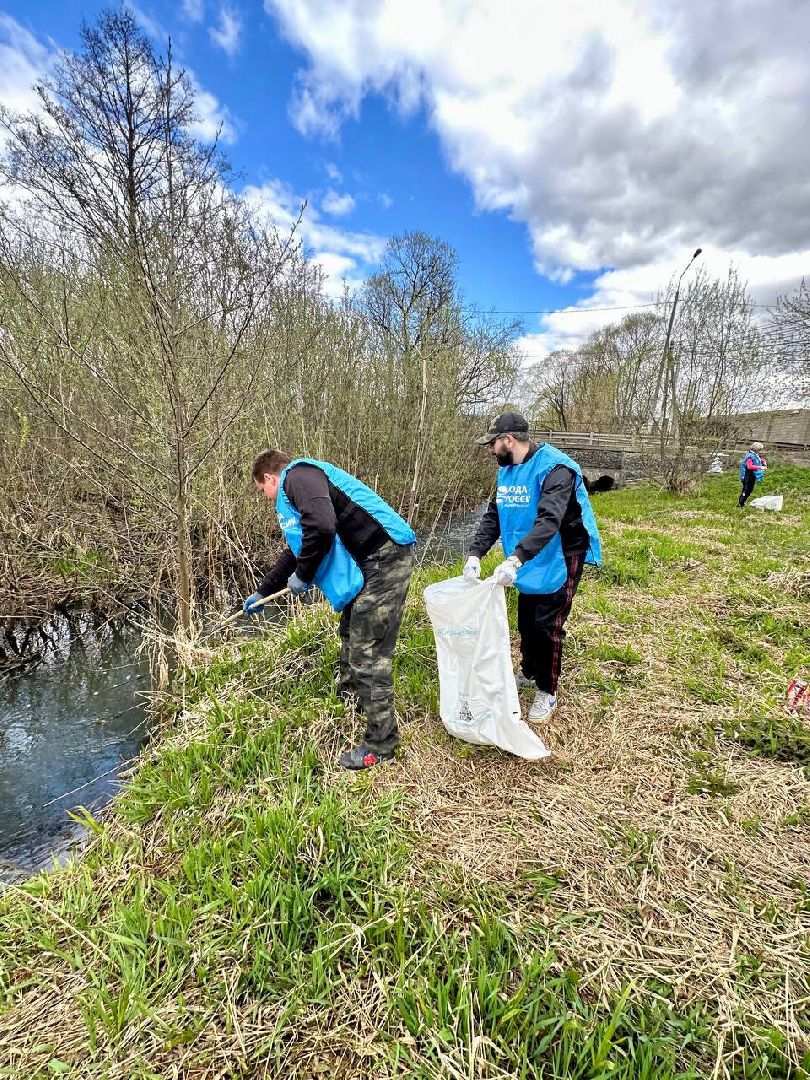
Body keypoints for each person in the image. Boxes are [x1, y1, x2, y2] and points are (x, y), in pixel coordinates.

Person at [244, 450, 416, 770]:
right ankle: (351, 698)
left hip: (385, 558)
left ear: (270, 477)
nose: (267, 498)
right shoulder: (300, 487)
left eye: (263, 491)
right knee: (350, 630)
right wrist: (264, 590)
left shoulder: (298, 477)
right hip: (371, 562)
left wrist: (304, 576)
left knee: (368, 651)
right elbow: (298, 547)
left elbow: (322, 528)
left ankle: (381, 745)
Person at [463, 413, 602, 723]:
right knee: (526, 617)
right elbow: (493, 516)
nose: (490, 450)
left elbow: (550, 520)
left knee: (546, 625)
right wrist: (476, 553)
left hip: (561, 552)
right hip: (528, 552)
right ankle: (528, 671)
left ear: (508, 440)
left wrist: (516, 558)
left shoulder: (556, 469)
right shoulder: (507, 471)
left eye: (493, 444)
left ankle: (547, 690)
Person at [738, 441, 767, 507]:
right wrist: (761, 467)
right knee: (746, 490)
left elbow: (757, 460)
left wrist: (763, 461)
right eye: (760, 449)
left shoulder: (754, 454)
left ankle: (741, 503)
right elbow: (749, 466)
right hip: (747, 476)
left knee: (748, 490)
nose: (760, 451)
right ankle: (740, 504)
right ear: (757, 449)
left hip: (752, 475)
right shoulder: (750, 456)